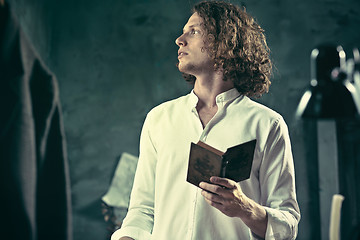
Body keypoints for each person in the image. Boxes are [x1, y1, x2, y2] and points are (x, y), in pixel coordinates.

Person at [111, 1, 300, 239]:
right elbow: (142, 209)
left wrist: (245, 209)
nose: (179, 40)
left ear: (226, 42)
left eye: (194, 31)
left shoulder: (267, 125)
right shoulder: (159, 119)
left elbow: (288, 224)